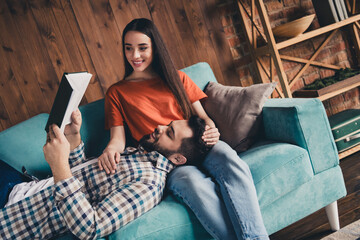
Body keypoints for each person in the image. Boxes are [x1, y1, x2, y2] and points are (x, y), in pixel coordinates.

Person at [100, 17, 269, 240]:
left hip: (198, 145)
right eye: (128, 48)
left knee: (228, 159)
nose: (135, 56)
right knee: (191, 184)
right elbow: (117, 139)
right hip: (167, 162)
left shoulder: (177, 78)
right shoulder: (116, 93)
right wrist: (110, 150)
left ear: (155, 47)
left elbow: (203, 117)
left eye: (142, 48)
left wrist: (212, 130)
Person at [0, 110, 211, 240]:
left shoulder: (149, 185)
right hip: (22, 186)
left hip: (14, 216)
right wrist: (74, 140)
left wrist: (59, 165)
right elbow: (82, 183)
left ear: (177, 159)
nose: (160, 127)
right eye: (168, 125)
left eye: (169, 133)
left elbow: (90, 227)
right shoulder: (141, 155)